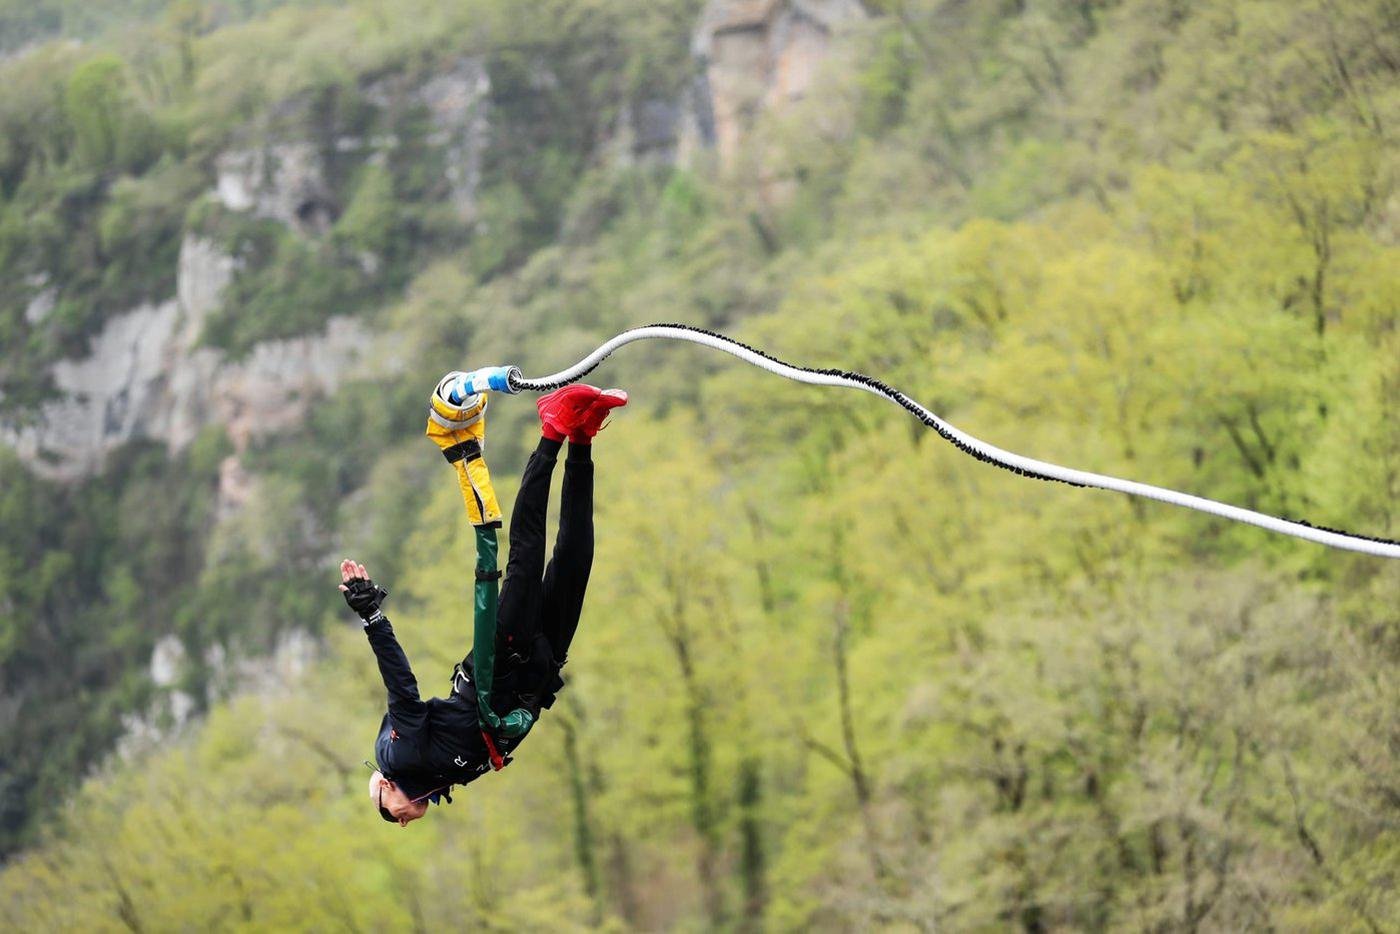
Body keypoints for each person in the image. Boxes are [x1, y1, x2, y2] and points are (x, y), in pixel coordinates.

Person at [339, 374, 627, 826]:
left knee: (527, 559)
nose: (403, 821)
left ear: (383, 789)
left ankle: (552, 429)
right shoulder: (441, 782)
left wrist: (372, 615)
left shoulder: (399, 756)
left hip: (501, 659)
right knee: (576, 559)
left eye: (391, 816)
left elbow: (401, 685)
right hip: (539, 668)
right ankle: (582, 435)